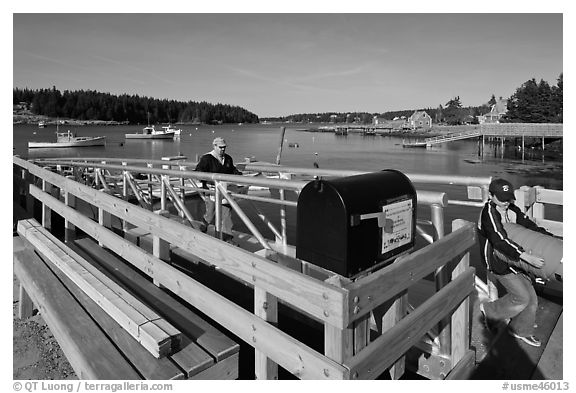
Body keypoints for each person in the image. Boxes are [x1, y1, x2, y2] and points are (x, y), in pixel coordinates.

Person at [477, 178, 553, 347]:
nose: (505, 202)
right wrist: (525, 257)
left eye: (508, 198)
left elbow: (529, 226)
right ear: (491, 195)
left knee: (532, 299)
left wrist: (551, 238)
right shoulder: (488, 213)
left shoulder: (512, 209)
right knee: (521, 297)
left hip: (516, 260)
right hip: (498, 261)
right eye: (501, 198)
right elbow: (499, 240)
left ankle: (520, 329)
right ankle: (490, 310)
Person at [195, 137, 242, 242]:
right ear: (214, 146)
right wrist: (209, 180)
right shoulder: (207, 158)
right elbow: (198, 172)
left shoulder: (228, 158)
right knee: (210, 214)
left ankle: (227, 239)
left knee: (226, 214)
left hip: (225, 191)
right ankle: (203, 228)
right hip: (211, 190)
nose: (223, 150)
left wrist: (238, 175)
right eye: (220, 147)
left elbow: (232, 170)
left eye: (224, 147)